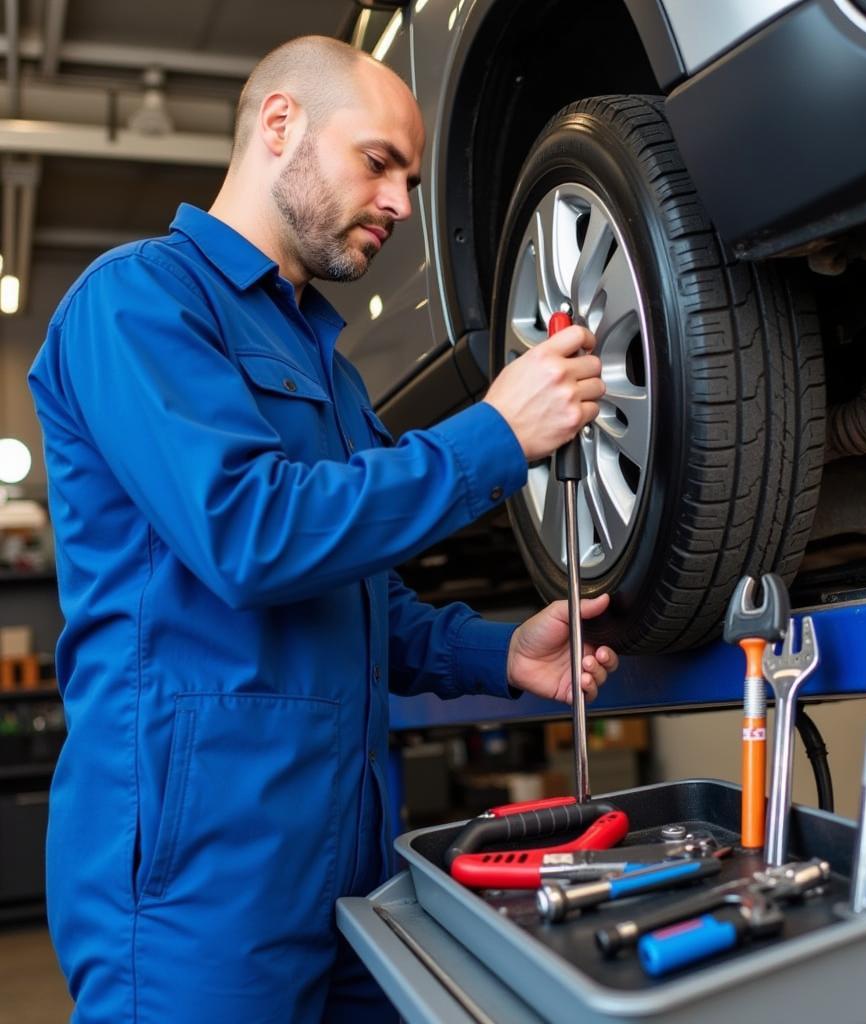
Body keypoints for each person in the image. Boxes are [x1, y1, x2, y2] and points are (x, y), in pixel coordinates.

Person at [27, 34, 618, 1024]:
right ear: (278, 125)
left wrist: (500, 650)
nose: (398, 201)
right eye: (377, 161)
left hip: (349, 863)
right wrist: (493, 437)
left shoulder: (334, 374)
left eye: (411, 179)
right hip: (197, 886)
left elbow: (359, 603)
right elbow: (249, 535)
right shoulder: (136, 303)